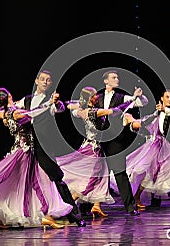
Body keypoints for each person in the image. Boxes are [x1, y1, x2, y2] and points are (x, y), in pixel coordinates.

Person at [0, 87, 74, 229]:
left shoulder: (5, 112)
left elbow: (2, 112)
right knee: (19, 184)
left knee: (19, 185)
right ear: (9, 95)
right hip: (23, 152)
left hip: (26, 150)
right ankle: (0, 213)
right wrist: (48, 104)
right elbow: (32, 113)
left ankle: (44, 216)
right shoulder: (14, 113)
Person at [14, 70, 86, 226]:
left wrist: (56, 102)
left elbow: (59, 108)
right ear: (37, 81)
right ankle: (11, 215)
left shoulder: (51, 100)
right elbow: (12, 110)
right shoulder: (26, 100)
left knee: (56, 178)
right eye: (43, 79)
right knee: (17, 178)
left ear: (51, 84)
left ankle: (75, 216)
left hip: (43, 146)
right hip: (26, 145)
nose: (45, 82)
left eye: (48, 80)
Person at [57, 86, 133, 217]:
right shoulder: (93, 112)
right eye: (95, 95)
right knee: (90, 181)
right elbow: (113, 110)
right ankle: (64, 208)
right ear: (91, 98)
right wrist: (129, 101)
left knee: (95, 180)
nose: (98, 96)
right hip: (92, 149)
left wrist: (73, 105)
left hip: (93, 147)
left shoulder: (84, 110)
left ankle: (93, 206)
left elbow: (71, 106)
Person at [95, 70, 149, 215]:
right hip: (99, 140)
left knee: (120, 173)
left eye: (117, 77)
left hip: (115, 140)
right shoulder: (98, 98)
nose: (117, 79)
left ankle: (130, 207)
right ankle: (90, 206)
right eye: (113, 77)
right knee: (96, 173)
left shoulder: (122, 97)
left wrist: (139, 96)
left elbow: (142, 102)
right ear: (106, 81)